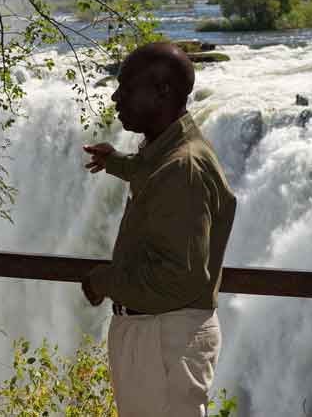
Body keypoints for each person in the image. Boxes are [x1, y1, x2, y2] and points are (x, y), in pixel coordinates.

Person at [81, 42, 237, 417]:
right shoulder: (172, 150)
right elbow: (157, 177)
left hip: (163, 337)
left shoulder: (182, 168)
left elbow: (177, 280)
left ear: (162, 92)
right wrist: (119, 164)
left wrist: (104, 281)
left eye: (127, 87)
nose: (116, 97)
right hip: (160, 334)